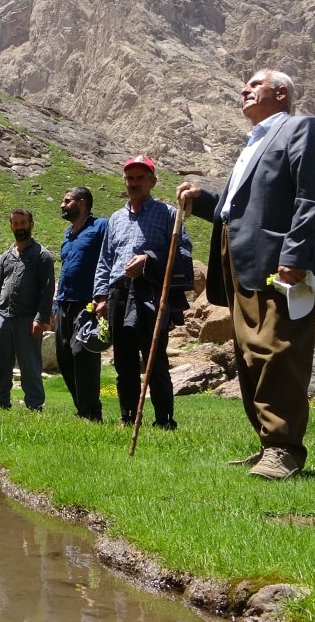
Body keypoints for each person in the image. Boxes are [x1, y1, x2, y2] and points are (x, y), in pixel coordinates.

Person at [177, 69, 315, 480]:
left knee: (277, 349)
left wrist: (296, 252)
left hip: (277, 260)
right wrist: (205, 200)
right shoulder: (256, 141)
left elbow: (313, 196)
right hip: (241, 260)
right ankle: (269, 445)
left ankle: (285, 450)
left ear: (281, 92)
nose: (243, 90)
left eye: (253, 85)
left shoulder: (302, 128)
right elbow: (239, 210)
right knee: (249, 353)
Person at [93, 155, 192, 430]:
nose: (134, 183)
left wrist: (148, 260)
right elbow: (105, 260)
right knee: (123, 362)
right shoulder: (115, 218)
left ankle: (164, 420)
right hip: (119, 294)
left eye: (140, 178)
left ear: (152, 182)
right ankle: (127, 416)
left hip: (150, 294)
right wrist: (101, 296)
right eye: (130, 178)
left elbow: (182, 254)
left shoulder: (168, 214)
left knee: (154, 359)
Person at [0, 209, 55, 411]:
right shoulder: (5, 256)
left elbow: (48, 289)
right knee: (1, 364)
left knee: (30, 365)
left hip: (28, 319)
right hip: (3, 319)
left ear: (31, 224)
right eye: (16, 223)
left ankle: (34, 406)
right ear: (11, 225)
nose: (19, 226)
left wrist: (40, 318)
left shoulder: (42, 255)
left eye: (23, 222)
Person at [54, 187, 108, 421]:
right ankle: (81, 408)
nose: (62, 205)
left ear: (82, 203)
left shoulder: (100, 227)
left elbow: (110, 257)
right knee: (64, 355)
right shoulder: (68, 235)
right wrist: (55, 305)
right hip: (64, 303)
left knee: (82, 354)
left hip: (87, 303)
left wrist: (103, 295)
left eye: (67, 201)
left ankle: (92, 411)